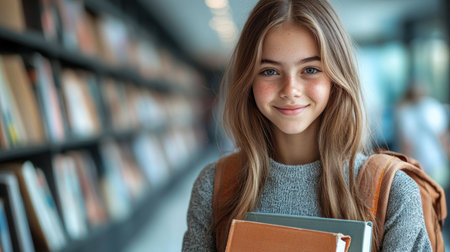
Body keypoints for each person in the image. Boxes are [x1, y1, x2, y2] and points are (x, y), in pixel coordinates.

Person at [182, 0, 432, 251]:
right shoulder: (214, 187)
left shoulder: (393, 194)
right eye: (269, 71)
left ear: (337, 77)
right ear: (248, 81)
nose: (290, 90)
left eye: (310, 69)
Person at [395, 83, 449, 188]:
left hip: (419, 166)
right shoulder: (433, 107)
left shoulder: (405, 112)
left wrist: (405, 167)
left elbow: (406, 145)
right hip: (436, 164)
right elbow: (443, 138)